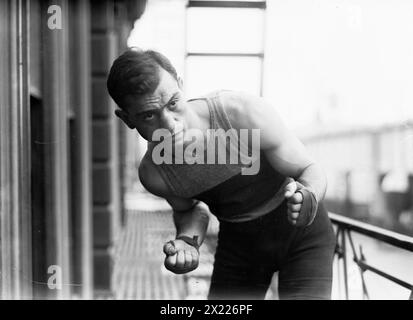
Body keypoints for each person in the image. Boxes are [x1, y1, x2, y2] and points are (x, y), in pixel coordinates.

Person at [107, 48, 336, 300]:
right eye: (149, 115)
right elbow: (189, 209)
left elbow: (309, 168)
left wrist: (310, 194)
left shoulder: (241, 113)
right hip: (240, 246)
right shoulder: (155, 173)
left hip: (302, 235)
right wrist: (187, 241)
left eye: (173, 103)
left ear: (181, 86)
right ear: (127, 119)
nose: (170, 124)